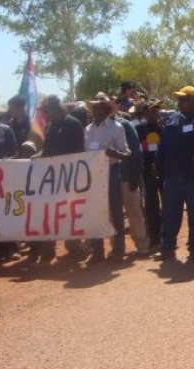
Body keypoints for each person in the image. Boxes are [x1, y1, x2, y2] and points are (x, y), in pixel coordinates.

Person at [155, 85, 194, 262]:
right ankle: (167, 247)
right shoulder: (173, 119)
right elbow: (164, 145)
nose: (180, 103)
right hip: (173, 174)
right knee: (170, 213)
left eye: (184, 99)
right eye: (179, 100)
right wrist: (158, 164)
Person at [36, 95, 86, 262]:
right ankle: (48, 248)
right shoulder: (50, 126)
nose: (45, 114)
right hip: (52, 179)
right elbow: (47, 150)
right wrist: (36, 157)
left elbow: (79, 151)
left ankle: (73, 245)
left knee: (69, 212)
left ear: (56, 108)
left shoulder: (73, 124)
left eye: (46, 110)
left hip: (69, 178)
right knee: (50, 212)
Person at [84, 93, 130, 263]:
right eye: (94, 108)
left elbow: (127, 152)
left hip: (111, 171)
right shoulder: (87, 130)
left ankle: (118, 249)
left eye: (100, 108)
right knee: (94, 212)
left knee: (115, 212)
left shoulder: (116, 127)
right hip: (92, 175)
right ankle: (97, 251)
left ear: (106, 110)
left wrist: (115, 153)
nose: (97, 111)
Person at [114, 107, 149, 256]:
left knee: (134, 212)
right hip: (107, 182)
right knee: (112, 215)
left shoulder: (125, 125)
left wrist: (135, 176)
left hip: (127, 177)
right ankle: (116, 248)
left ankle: (142, 245)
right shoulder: (91, 129)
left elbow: (135, 152)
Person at [135, 100, 163, 250]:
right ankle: (154, 237)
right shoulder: (138, 129)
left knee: (168, 205)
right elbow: (136, 151)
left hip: (164, 171)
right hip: (146, 172)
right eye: (151, 111)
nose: (155, 114)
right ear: (145, 113)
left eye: (156, 111)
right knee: (151, 206)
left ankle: (166, 235)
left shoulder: (164, 128)